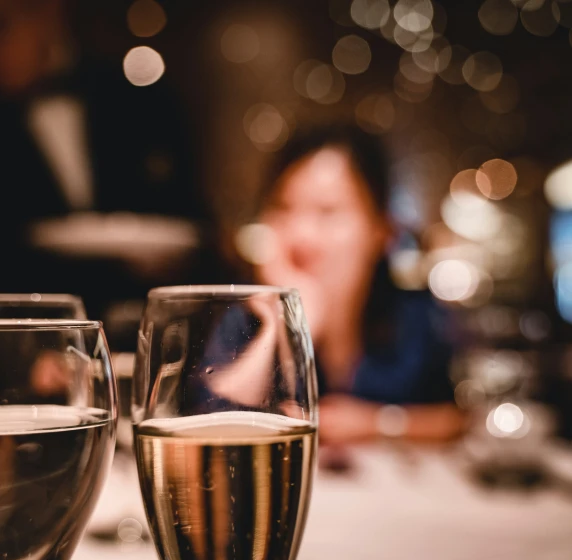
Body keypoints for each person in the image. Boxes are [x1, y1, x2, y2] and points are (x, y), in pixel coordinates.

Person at [237, 124, 464, 445]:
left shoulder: (414, 316)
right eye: (283, 208)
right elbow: (211, 417)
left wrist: (374, 423)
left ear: (381, 230)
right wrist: (289, 329)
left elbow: (455, 417)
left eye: (327, 212)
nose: (301, 235)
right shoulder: (244, 314)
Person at [0, 0, 223, 324]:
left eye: (4, 25)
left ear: (50, 12)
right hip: (23, 337)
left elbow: (192, 217)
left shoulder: (138, 98)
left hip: (147, 322)